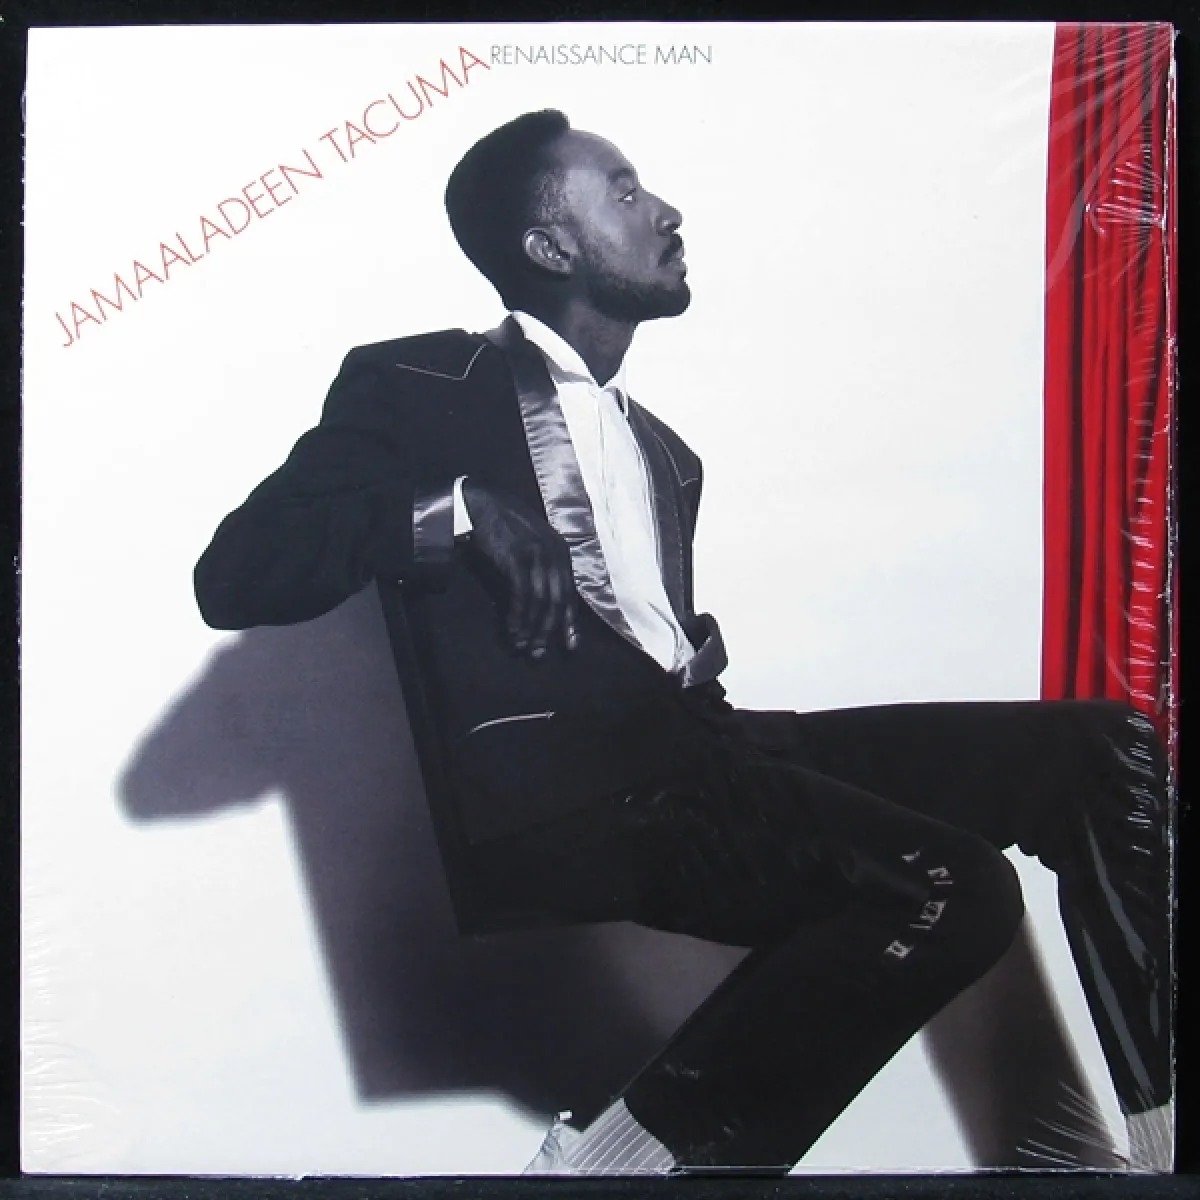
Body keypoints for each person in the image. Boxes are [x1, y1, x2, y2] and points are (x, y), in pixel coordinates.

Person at [193, 110, 1173, 1174]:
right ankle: (615, 1168)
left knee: (1104, 751)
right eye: (623, 191)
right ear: (548, 247)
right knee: (955, 886)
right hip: (571, 798)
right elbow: (236, 572)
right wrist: (461, 510)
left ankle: (1172, 1144)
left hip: (703, 753)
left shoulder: (666, 455)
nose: (666, 212)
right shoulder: (417, 387)